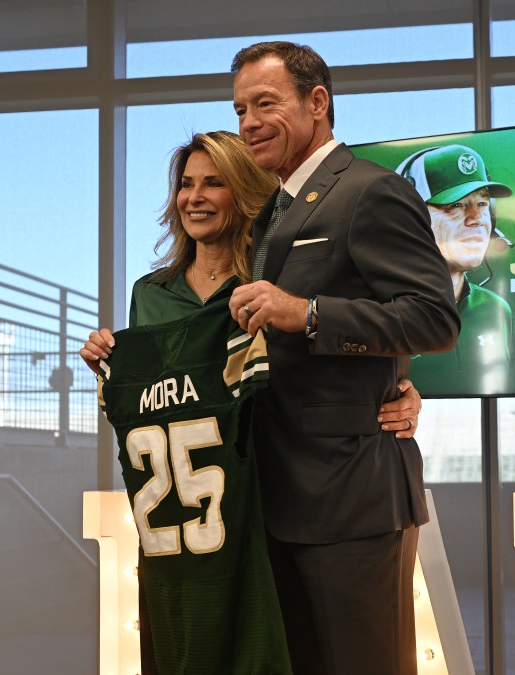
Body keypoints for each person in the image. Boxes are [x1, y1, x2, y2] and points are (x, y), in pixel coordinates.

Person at [79, 131, 425, 674]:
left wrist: (400, 388)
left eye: (213, 183)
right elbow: (160, 397)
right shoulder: (150, 293)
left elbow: (333, 356)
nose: (194, 197)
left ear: (243, 192)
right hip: (194, 527)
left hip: (277, 493)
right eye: (186, 184)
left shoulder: (271, 282)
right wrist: (111, 364)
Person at [227, 41, 461, 675]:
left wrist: (307, 313)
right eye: (241, 109)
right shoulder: (269, 213)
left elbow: (434, 318)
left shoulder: (370, 191)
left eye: (265, 104)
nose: (249, 122)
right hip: (278, 499)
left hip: (352, 501)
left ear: (317, 103)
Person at [397, 144, 515, 395]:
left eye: (482, 203)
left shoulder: (496, 309)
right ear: (410, 221)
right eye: (456, 205)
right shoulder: (384, 313)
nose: (476, 218)